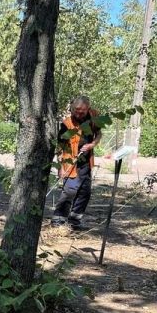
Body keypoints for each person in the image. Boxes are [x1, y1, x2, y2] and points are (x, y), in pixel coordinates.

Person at [52, 95, 102, 230]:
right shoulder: (66, 124)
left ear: (88, 109)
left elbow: (99, 134)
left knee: (85, 192)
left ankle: (75, 220)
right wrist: (60, 167)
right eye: (76, 111)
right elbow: (60, 147)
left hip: (86, 162)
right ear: (72, 109)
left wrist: (92, 145)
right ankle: (58, 220)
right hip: (70, 162)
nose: (79, 114)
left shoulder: (93, 117)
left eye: (82, 112)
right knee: (69, 190)